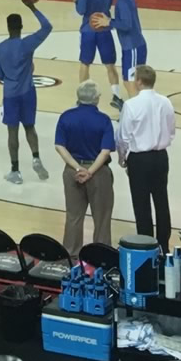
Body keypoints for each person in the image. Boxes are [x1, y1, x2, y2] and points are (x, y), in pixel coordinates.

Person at [0, 0, 53, 184]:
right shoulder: (27, 44)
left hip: (10, 94)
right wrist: (32, 7)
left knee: (12, 132)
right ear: (21, 28)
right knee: (30, 127)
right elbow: (47, 27)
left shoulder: (0, 48)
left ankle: (15, 171)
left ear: (8, 27)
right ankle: (36, 157)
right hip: (28, 92)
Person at [52, 80, 116, 253]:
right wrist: (90, 171)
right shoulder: (103, 120)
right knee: (102, 219)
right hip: (98, 173)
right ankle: (101, 256)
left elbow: (59, 146)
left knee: (73, 217)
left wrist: (77, 168)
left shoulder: (66, 117)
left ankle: (71, 255)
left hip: (72, 172)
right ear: (96, 98)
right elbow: (105, 151)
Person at [116, 64, 176, 241]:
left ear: (139, 81)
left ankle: (146, 243)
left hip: (139, 159)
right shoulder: (166, 102)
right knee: (161, 201)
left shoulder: (131, 105)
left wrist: (122, 158)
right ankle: (164, 245)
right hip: (161, 156)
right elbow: (172, 130)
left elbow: (123, 137)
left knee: (141, 204)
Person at [74, 0, 118, 95]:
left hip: (89, 29)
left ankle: (83, 95)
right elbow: (109, 4)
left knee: (85, 63)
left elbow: (81, 11)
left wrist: (76, 1)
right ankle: (116, 95)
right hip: (104, 28)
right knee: (110, 65)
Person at [107, 0, 146, 107]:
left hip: (132, 47)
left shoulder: (122, 2)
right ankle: (137, 110)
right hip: (133, 45)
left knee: (130, 82)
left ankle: (136, 113)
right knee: (130, 81)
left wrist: (109, 22)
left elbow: (126, 25)